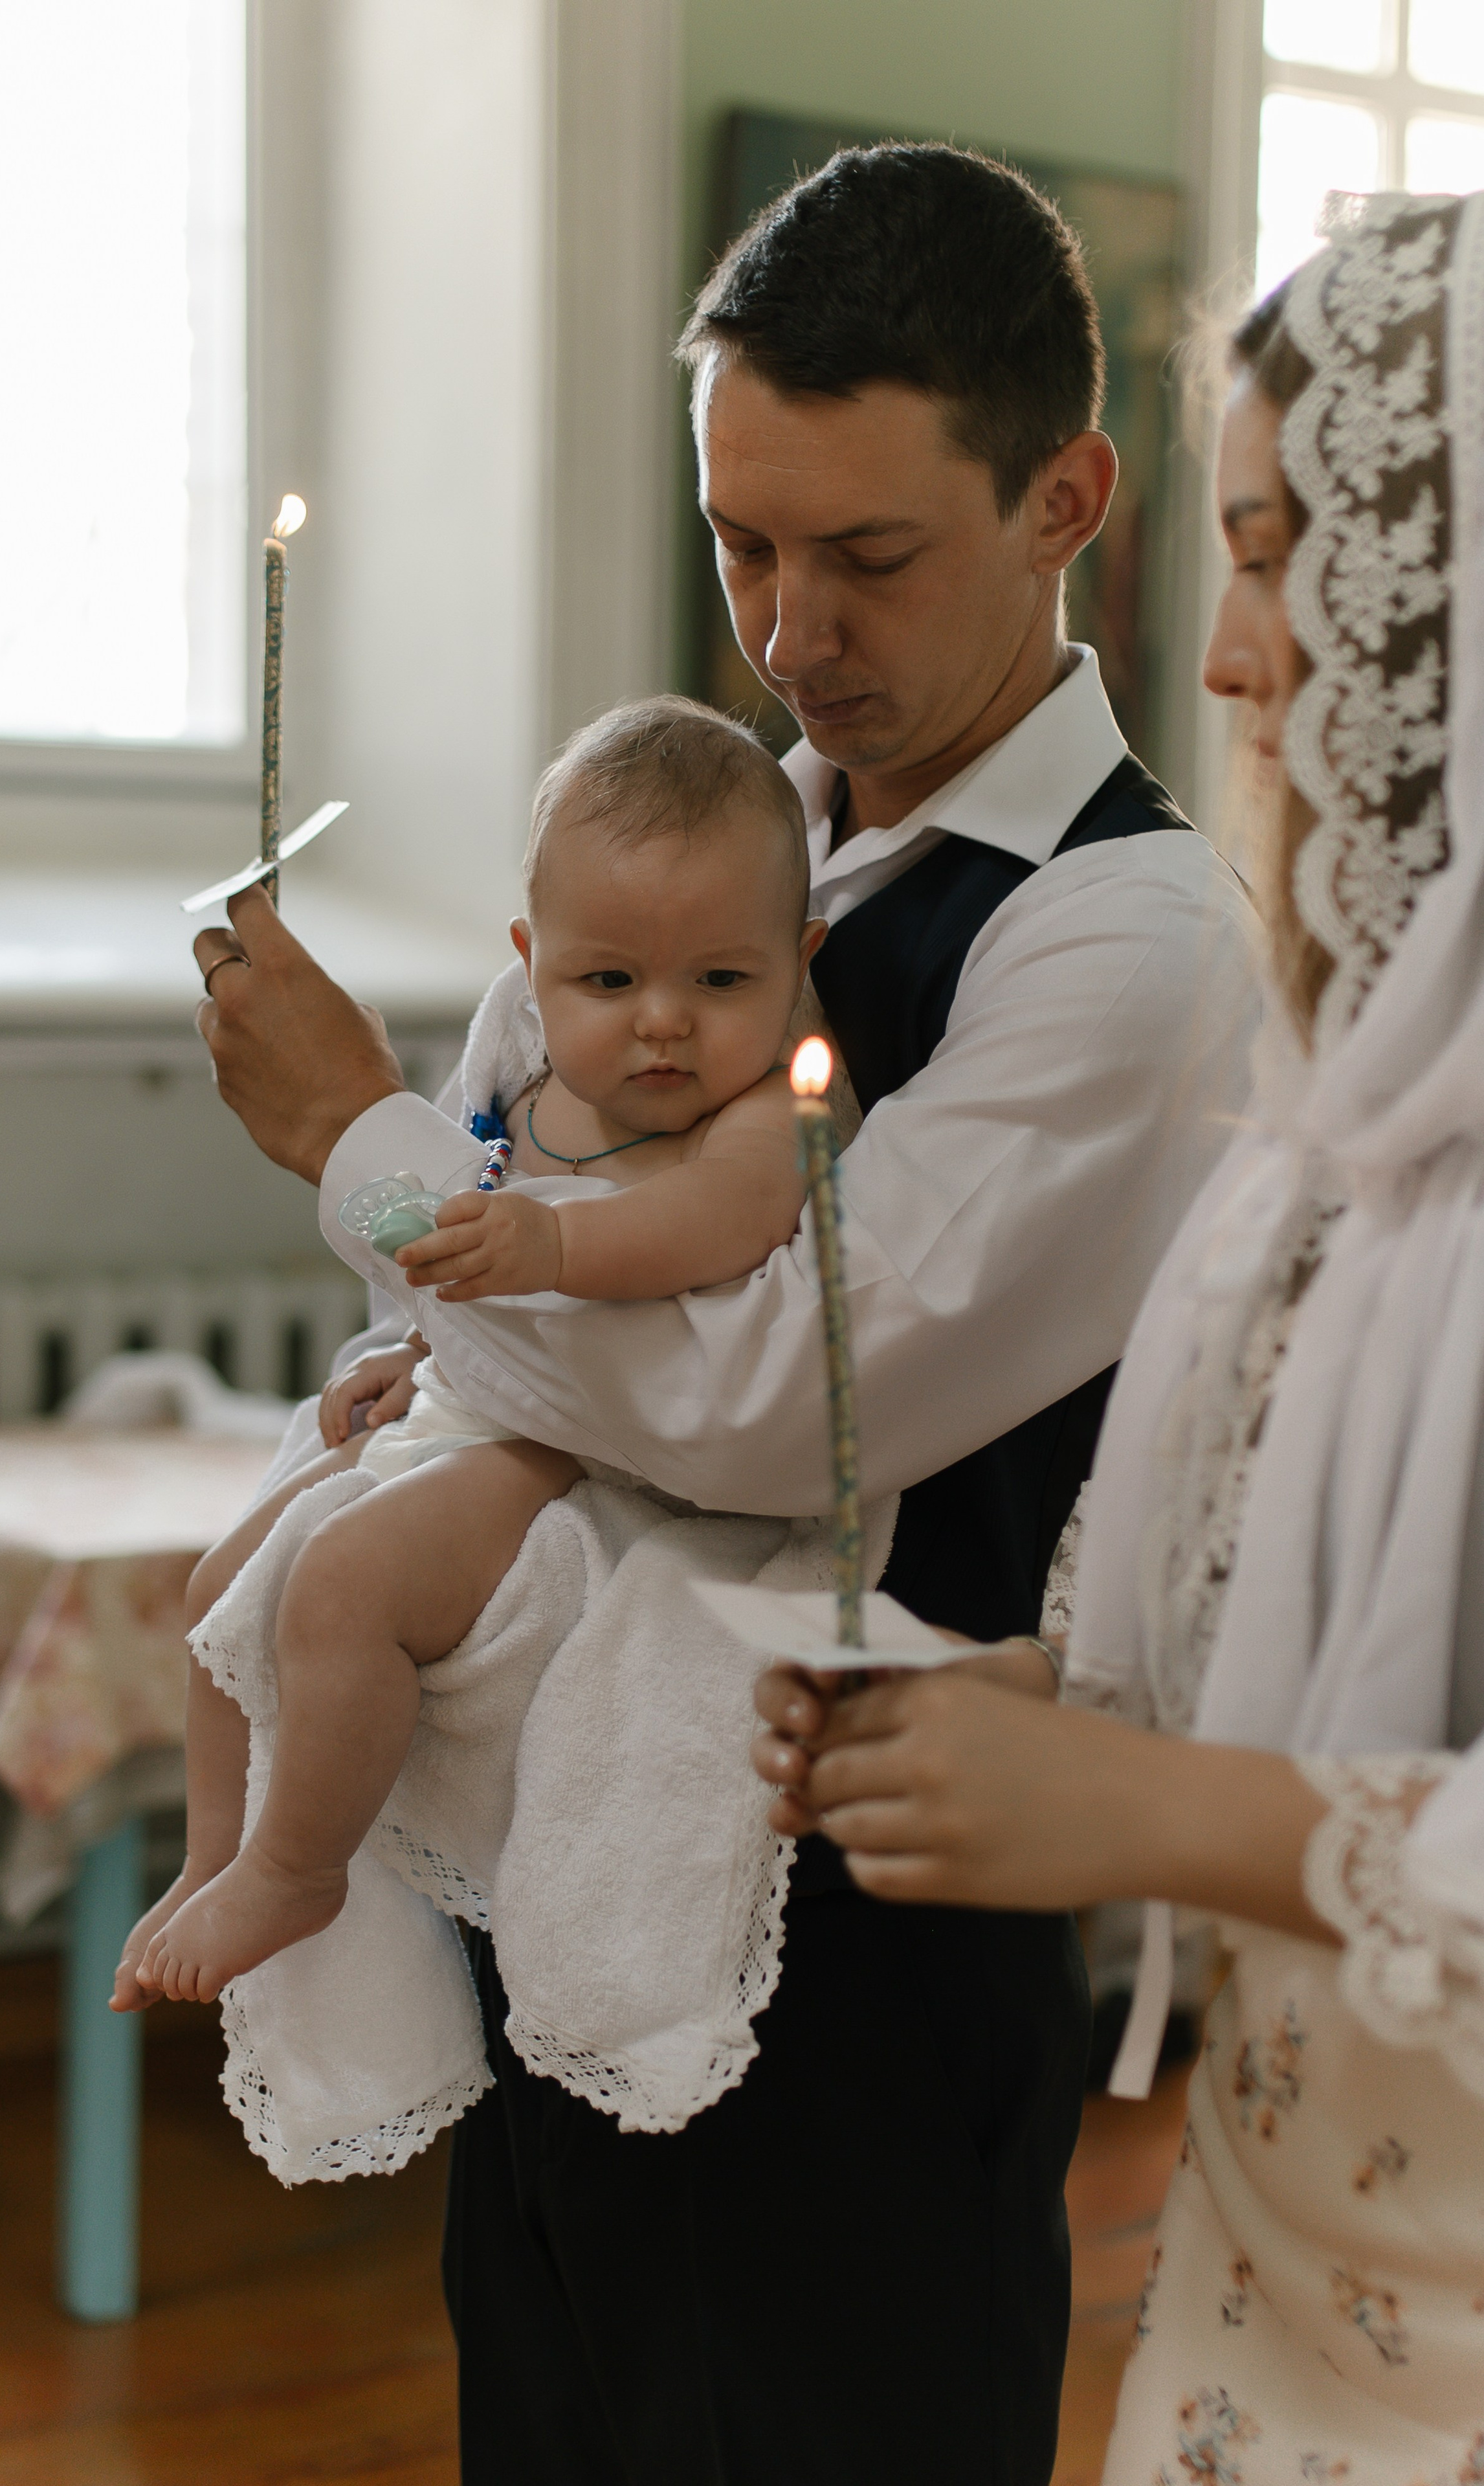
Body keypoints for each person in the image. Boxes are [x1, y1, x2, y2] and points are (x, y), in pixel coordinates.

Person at [192, 146, 1259, 2485]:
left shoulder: (1132, 939)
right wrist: (417, 1263)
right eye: (741, 544)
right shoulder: (693, 855)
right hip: (551, 1870)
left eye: (867, 554)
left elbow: (779, 1405)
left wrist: (367, 1148)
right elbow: (458, 1279)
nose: (787, 631)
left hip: (864, 1938)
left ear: (1067, 499)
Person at [755, 192, 1484, 2482]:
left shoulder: (1136, 942)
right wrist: (1015, 1704)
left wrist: (1141, 1804)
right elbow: (1267, 1599)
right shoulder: (1354, 1124)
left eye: (1284, 561)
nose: (1238, 657)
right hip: (1276, 2243)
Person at [116, 698, 826, 2007]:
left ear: (800, 958)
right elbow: (442, 1254)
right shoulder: (525, 1077)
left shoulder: (765, 1110)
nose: (663, 1023)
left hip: (582, 1445)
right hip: (473, 1393)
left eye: (721, 982)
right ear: (531, 964)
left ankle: (296, 1868)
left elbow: (719, 1219)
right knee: (225, 1585)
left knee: (346, 1586)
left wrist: (549, 1243)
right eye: (608, 982)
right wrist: (417, 1341)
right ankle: (214, 1854)